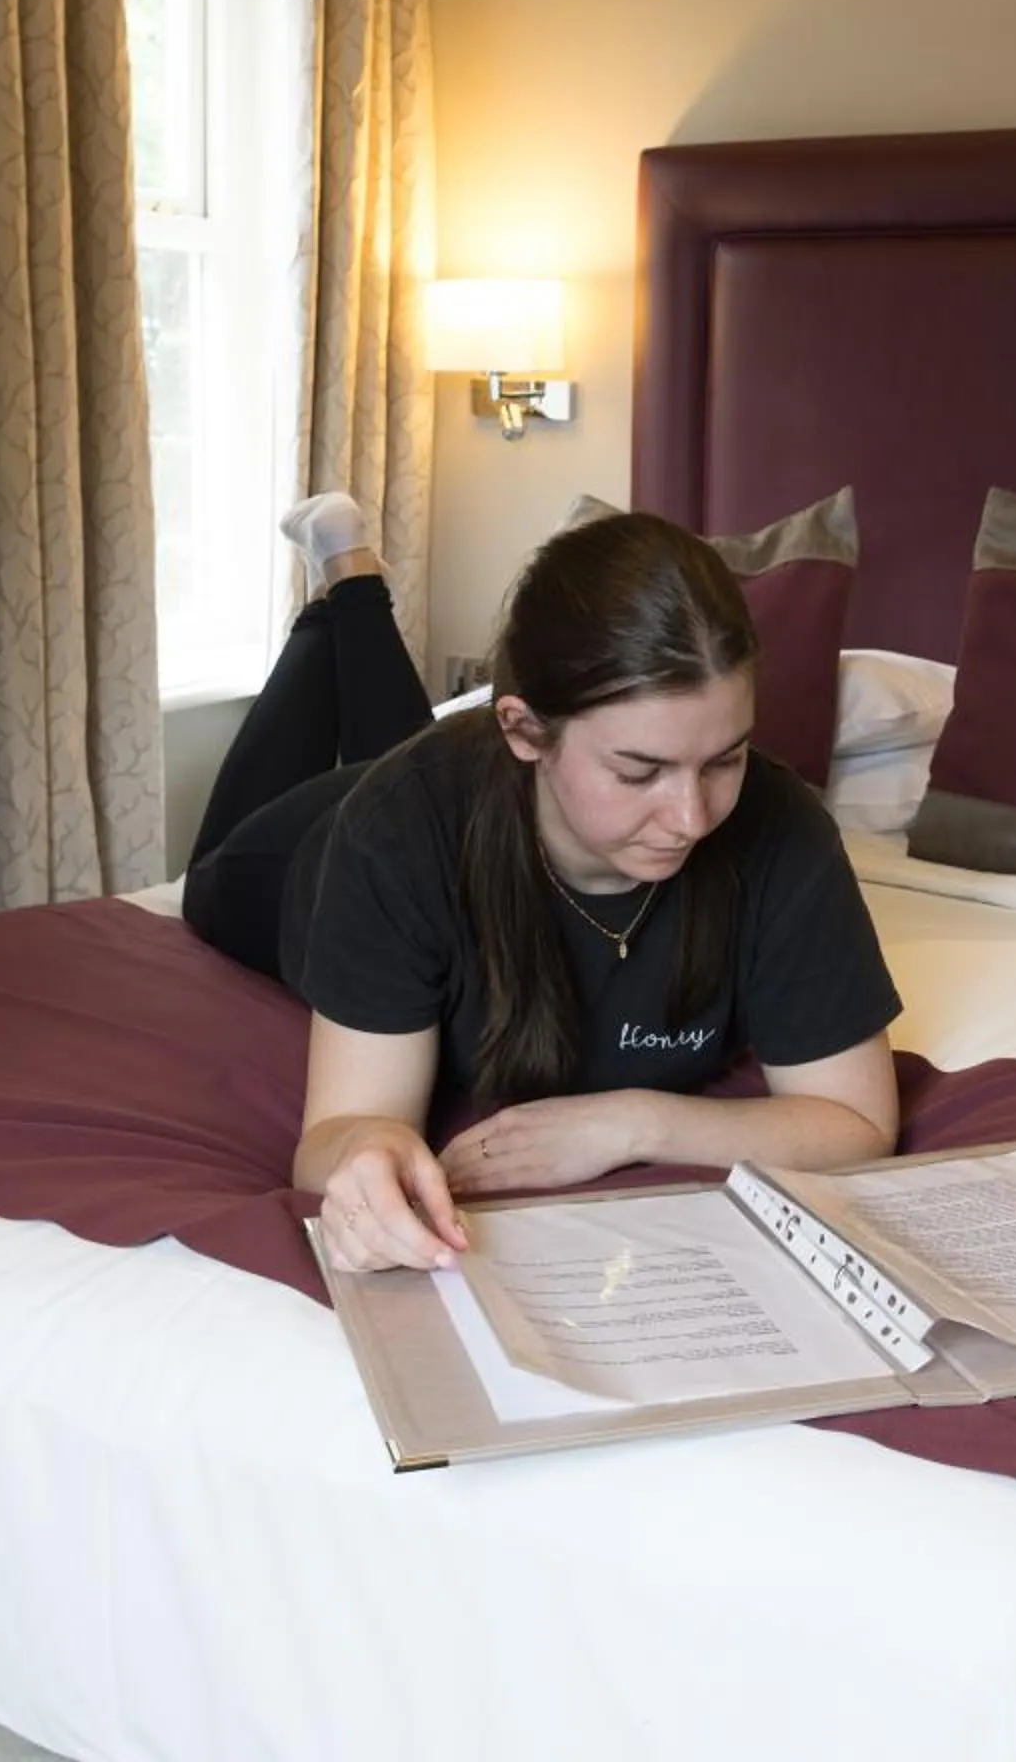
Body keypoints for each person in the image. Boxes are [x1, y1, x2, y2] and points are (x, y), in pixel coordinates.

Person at [183, 493, 904, 1275]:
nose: (693, 816)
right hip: (287, 860)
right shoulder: (392, 832)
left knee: (398, 741)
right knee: (223, 856)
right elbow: (342, 1130)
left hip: (443, 781)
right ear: (525, 731)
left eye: (724, 759)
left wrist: (633, 1125)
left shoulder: (781, 828)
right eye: (641, 770)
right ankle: (344, 587)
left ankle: (349, 579)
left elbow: (857, 1122)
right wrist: (369, 1150)